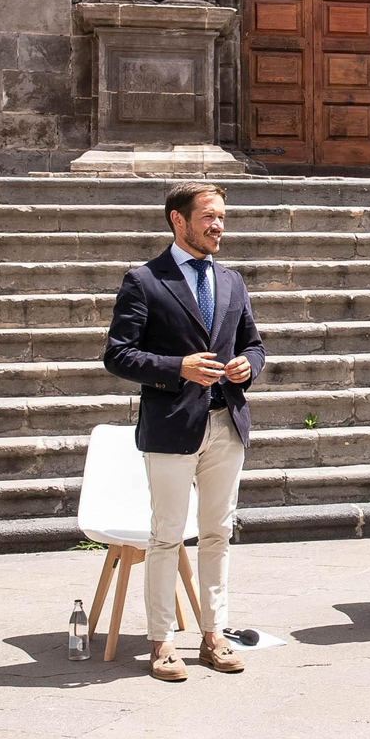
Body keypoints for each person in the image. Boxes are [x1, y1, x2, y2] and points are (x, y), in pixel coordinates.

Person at [102, 182, 266, 681]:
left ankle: (213, 635)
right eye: (209, 217)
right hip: (172, 427)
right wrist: (178, 367)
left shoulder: (232, 281)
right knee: (166, 535)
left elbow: (254, 345)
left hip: (226, 425)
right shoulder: (144, 281)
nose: (219, 226)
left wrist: (246, 367)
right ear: (179, 221)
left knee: (218, 533)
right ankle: (162, 642)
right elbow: (118, 354)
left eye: (222, 217)